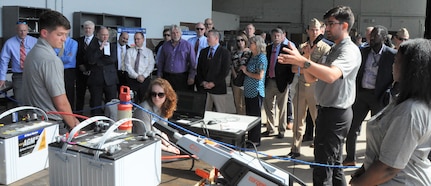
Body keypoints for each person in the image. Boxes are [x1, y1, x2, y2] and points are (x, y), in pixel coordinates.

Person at [278, 6, 361, 185]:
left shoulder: (349, 51)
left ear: (344, 25)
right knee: (335, 166)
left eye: (331, 24)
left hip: (336, 114)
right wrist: (305, 60)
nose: (327, 28)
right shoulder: (333, 49)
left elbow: (331, 75)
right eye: (326, 24)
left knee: (323, 169)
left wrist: (304, 61)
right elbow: (311, 78)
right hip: (327, 111)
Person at [350, 38, 431, 186]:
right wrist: (365, 168)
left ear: (409, 68)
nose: (392, 66)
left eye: (396, 61)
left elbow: (388, 168)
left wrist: (359, 183)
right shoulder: (402, 101)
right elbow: (385, 147)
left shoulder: (410, 111)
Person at [344, 25, 397, 166]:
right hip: (361, 95)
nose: (372, 38)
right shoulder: (362, 51)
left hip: (379, 97)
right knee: (353, 127)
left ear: (384, 38)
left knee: (376, 132)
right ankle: (350, 158)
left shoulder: (392, 55)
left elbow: (399, 78)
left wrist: (390, 92)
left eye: (376, 36)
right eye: (371, 35)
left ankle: (372, 161)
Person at [22, 10, 79, 134]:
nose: (64, 39)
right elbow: (61, 103)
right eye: (60, 34)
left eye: (66, 34)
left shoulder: (32, 53)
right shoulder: (51, 60)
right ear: (44, 33)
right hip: (52, 124)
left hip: (33, 120)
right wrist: (74, 126)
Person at [289, 18, 331, 158]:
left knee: (317, 121)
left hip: (316, 87)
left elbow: (322, 70)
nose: (314, 32)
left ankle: (318, 153)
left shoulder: (325, 48)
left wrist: (304, 64)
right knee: (297, 120)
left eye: (316, 29)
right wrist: (307, 65)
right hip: (301, 85)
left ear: (321, 31)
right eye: (311, 29)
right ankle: (295, 149)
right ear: (307, 30)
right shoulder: (302, 47)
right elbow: (294, 68)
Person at [133, 78, 180, 154]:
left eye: (160, 94)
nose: (156, 97)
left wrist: (169, 145)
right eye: (153, 94)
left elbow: (163, 132)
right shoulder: (143, 110)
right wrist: (167, 149)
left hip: (157, 143)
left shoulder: (164, 107)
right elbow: (145, 138)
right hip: (143, 146)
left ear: (167, 95)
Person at [262, 28, 295, 139]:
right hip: (269, 81)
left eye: (278, 35)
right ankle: (270, 128)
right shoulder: (268, 48)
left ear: (282, 37)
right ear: (271, 37)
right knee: (268, 106)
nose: (276, 37)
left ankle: (281, 130)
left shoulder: (286, 49)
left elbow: (291, 67)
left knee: (282, 108)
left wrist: (288, 82)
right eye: (274, 35)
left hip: (282, 82)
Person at [239, 36, 267, 148]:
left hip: (256, 91)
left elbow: (260, 76)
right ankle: (250, 138)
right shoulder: (252, 56)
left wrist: (246, 72)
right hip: (248, 91)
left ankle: (255, 139)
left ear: (257, 44)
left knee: (255, 117)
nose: (249, 44)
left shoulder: (261, 57)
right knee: (249, 116)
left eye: (252, 43)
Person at [0, 22, 37, 103]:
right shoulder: (9, 43)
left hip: (33, 74)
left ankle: (33, 114)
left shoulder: (35, 41)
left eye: (24, 30)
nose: (23, 33)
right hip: (18, 75)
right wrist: (2, 78)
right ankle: (22, 115)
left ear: (28, 30)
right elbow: (4, 61)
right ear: (16, 30)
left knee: (34, 98)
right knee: (19, 98)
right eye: (20, 30)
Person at [195, 30, 231, 113]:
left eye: (209, 37)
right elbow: (199, 69)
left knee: (220, 112)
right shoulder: (203, 52)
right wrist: (202, 82)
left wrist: (214, 83)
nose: (207, 39)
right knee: (203, 112)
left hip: (218, 89)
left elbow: (225, 71)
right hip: (204, 88)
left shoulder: (225, 53)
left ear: (216, 38)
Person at [85, 26, 118, 115]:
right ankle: (95, 123)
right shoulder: (92, 46)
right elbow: (91, 60)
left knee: (112, 103)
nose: (105, 37)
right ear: (98, 35)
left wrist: (98, 62)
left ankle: (111, 122)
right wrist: (100, 49)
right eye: (103, 35)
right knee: (96, 102)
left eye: (107, 35)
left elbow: (112, 60)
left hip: (110, 79)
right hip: (96, 79)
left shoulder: (112, 46)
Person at [157, 25, 196, 91]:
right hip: (167, 77)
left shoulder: (187, 45)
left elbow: (193, 63)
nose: (175, 35)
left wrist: (191, 76)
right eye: (173, 33)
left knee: (181, 98)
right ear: (171, 34)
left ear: (180, 33)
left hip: (182, 78)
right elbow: (161, 61)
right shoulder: (165, 45)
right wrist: (159, 74)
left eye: (177, 32)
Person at [125, 32, 155, 103]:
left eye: (138, 39)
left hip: (144, 81)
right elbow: (127, 65)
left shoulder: (149, 52)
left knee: (144, 102)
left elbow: (151, 65)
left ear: (143, 39)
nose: (136, 41)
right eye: (135, 39)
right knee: (132, 102)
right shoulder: (129, 51)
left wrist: (143, 76)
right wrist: (136, 76)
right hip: (132, 80)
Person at [75, 20, 97, 114]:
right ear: (83, 29)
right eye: (86, 28)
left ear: (93, 29)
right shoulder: (78, 41)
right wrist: (80, 66)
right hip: (80, 73)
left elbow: (97, 57)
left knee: (94, 96)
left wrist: (87, 67)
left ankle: (92, 117)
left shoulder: (97, 42)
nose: (88, 30)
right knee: (80, 95)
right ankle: (78, 116)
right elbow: (76, 55)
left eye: (90, 28)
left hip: (93, 73)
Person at [54, 36, 78, 109]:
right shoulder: (56, 41)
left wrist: (58, 57)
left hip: (69, 70)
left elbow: (70, 59)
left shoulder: (73, 43)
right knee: (58, 91)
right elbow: (52, 57)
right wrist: (65, 57)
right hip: (57, 69)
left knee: (69, 91)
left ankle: (71, 111)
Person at [231, 33, 251, 115]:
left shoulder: (249, 52)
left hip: (246, 79)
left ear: (245, 40)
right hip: (235, 79)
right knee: (237, 101)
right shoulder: (234, 52)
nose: (240, 42)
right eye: (238, 40)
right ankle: (239, 115)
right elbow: (231, 64)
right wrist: (235, 75)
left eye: (242, 40)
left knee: (245, 102)